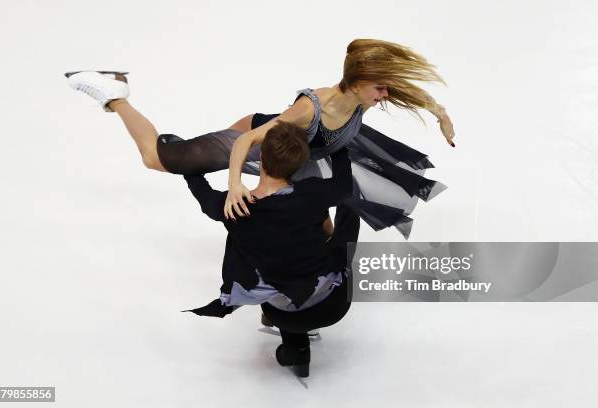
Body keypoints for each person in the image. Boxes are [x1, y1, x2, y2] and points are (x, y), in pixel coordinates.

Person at [65, 38, 454, 239]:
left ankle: (298, 295)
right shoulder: (310, 107)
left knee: (319, 223)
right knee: (155, 157)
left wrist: (441, 115)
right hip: (260, 141)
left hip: (302, 154)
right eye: (380, 89)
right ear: (356, 85)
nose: (385, 96)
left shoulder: (365, 97)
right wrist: (234, 186)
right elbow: (244, 141)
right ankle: (115, 94)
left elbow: (411, 94)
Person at [181, 120, 359, 378]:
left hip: (283, 314)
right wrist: (338, 143)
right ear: (300, 165)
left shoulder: (234, 207)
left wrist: (186, 161)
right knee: (348, 209)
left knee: (279, 273)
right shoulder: (313, 193)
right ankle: (299, 342)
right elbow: (344, 185)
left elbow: (200, 189)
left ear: (260, 159)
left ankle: (296, 349)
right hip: (335, 306)